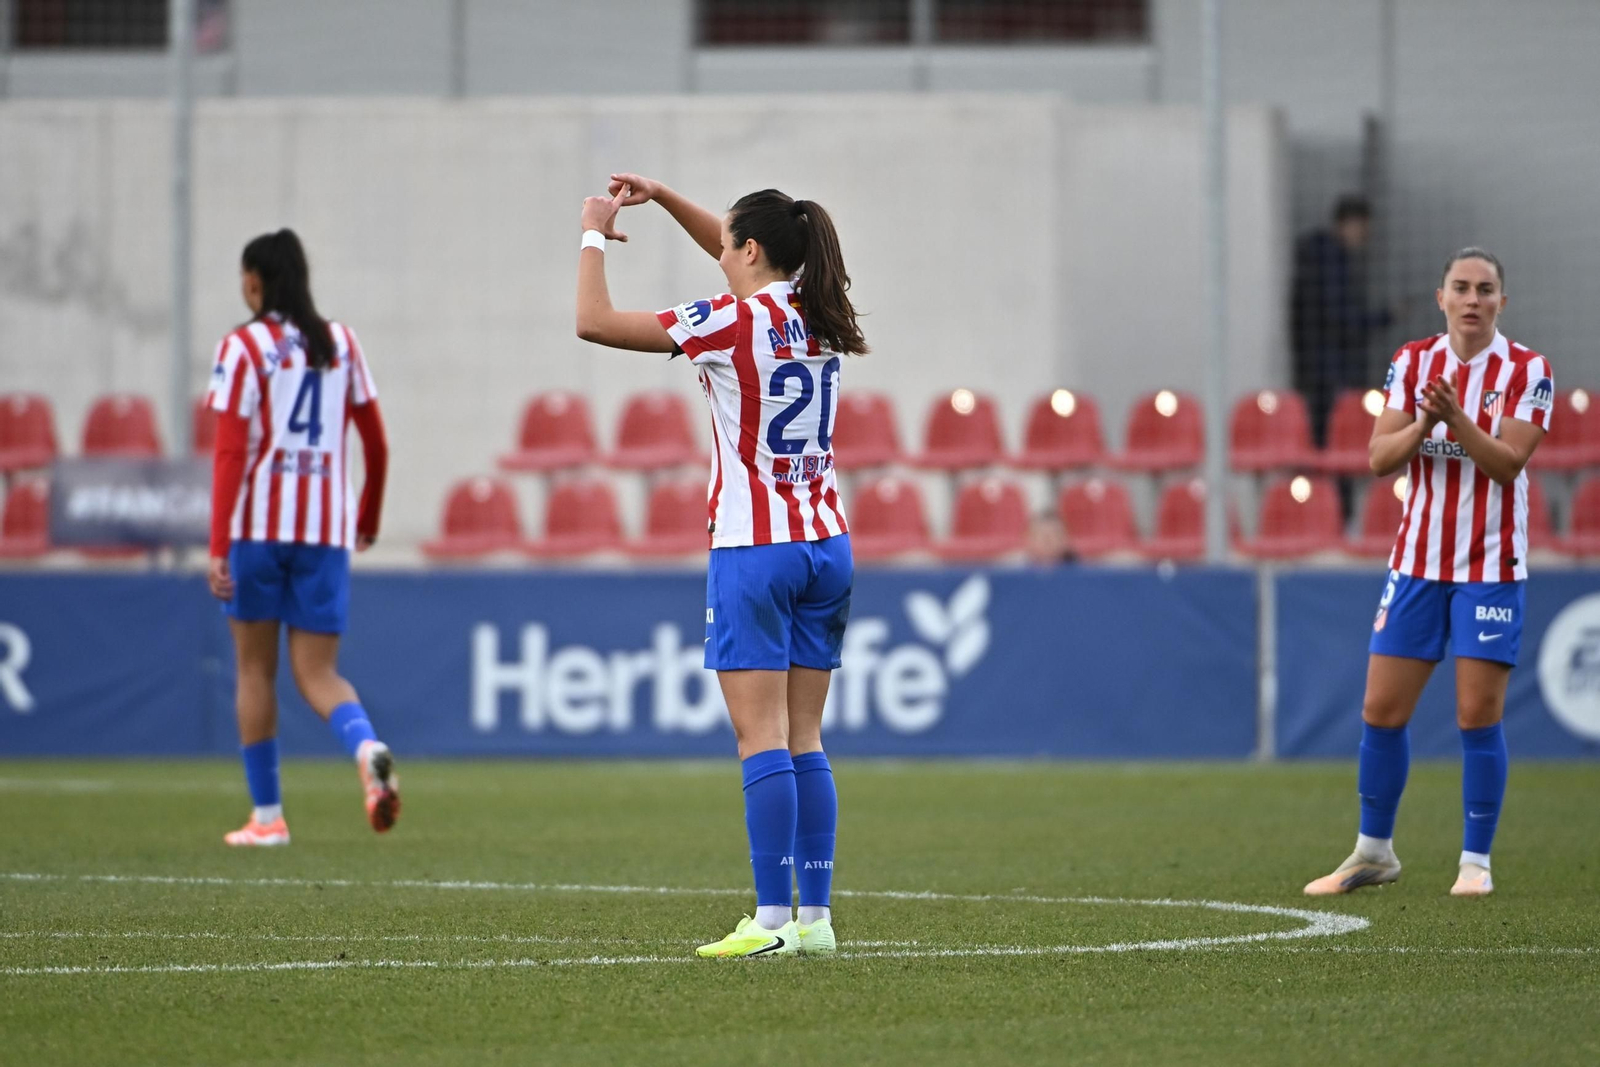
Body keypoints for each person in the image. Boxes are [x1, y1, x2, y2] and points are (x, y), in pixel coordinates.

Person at [574, 173, 865, 957]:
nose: (720, 254)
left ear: (751, 250)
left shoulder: (729, 323)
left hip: (755, 547)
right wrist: (666, 198)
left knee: (758, 736)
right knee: (805, 736)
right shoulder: (820, 309)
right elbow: (741, 253)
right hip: (826, 542)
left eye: (729, 244)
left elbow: (592, 322)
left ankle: (769, 921)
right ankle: (816, 921)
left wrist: (594, 230)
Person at [1304, 247, 1553, 898]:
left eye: (1486, 289)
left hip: (1490, 566)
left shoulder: (1529, 370)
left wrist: (1457, 419)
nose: (1473, 299)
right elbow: (1380, 456)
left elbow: (1506, 464)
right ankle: (1373, 852)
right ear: (1441, 298)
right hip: (1416, 562)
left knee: (1476, 713)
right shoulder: (1413, 362)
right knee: (1380, 709)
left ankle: (1475, 861)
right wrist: (1424, 421)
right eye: (1461, 288)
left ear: (1503, 302)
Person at [206, 228, 399, 847]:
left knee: (255, 671)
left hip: (258, 527)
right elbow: (375, 441)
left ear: (256, 281)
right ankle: (366, 746)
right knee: (319, 673)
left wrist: (216, 545)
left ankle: (268, 818)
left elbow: (231, 452)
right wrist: (366, 515)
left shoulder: (241, 347)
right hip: (325, 529)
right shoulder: (339, 342)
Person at [1291, 195, 1395, 447]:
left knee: (1323, 442)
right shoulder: (1331, 263)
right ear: (1348, 223)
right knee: (1336, 440)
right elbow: (1341, 318)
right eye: (1363, 227)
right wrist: (1383, 318)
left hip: (1316, 368)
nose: (1366, 235)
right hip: (1331, 371)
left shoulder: (1318, 260)